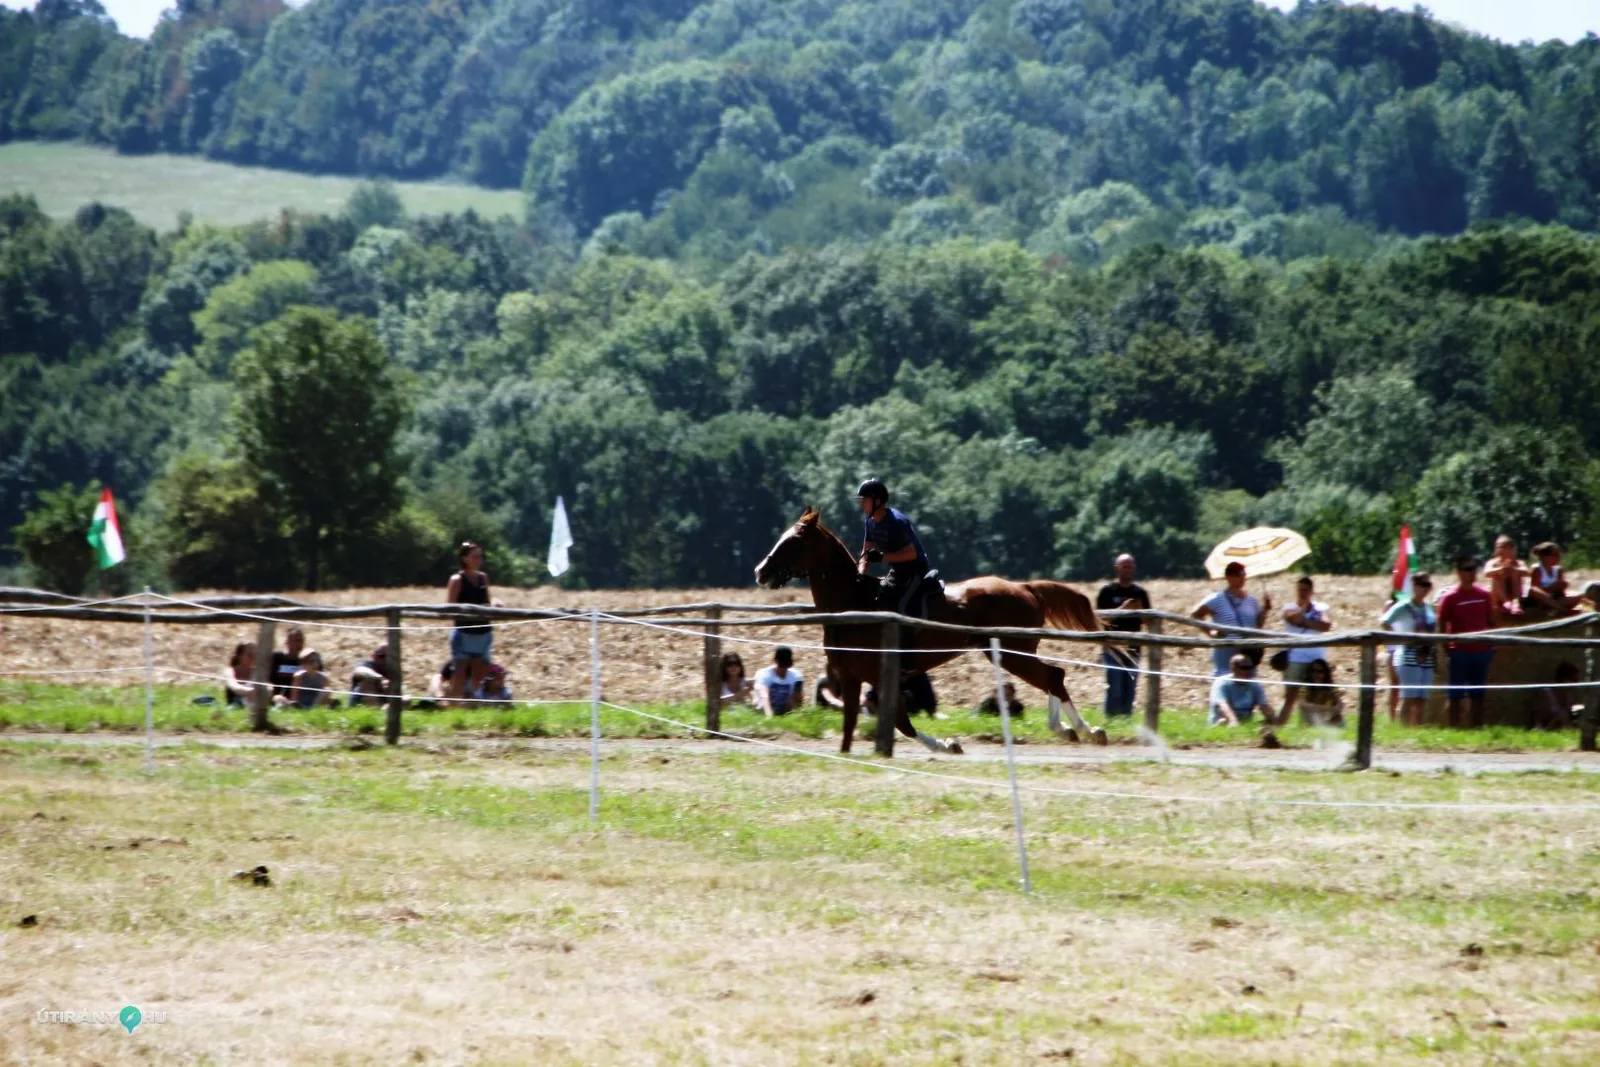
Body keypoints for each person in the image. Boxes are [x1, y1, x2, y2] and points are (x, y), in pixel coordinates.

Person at [1437, 556, 1503, 729]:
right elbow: (1442, 624)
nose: (1471, 573)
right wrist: (1448, 649)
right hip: (1459, 651)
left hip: (1481, 652)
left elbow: (1491, 620)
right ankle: (1454, 728)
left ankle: (1477, 727)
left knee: (1478, 694)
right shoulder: (1450, 598)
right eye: (1467, 569)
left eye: (1473, 569)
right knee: (1455, 695)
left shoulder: (1483, 595)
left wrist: (1492, 645)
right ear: (1458, 572)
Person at [856, 478, 932, 616]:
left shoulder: (896, 522)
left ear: (877, 502)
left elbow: (911, 554)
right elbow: (865, 552)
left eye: (864, 500)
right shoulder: (869, 521)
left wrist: (882, 557)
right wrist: (861, 573)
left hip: (915, 570)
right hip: (897, 571)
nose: (862, 505)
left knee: (901, 604)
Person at [1191, 562, 1271, 676]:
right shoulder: (1217, 598)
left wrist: (1265, 610)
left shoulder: (1252, 601)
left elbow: (1257, 626)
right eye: (1238, 574)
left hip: (1247, 652)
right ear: (1228, 577)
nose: (1243, 577)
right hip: (1226, 652)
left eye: (1244, 574)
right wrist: (1211, 633)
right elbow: (1196, 614)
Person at [1096, 553, 1151, 718]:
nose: (1128, 570)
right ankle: (1111, 718)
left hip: (1134, 646)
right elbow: (1101, 619)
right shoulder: (1107, 591)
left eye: (1130, 566)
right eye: (1124, 566)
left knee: (1130, 685)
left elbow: (1148, 621)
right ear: (1116, 568)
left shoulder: (1140, 593)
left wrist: (1140, 610)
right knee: (1115, 685)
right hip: (1113, 646)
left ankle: (1126, 718)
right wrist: (1122, 609)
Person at [1381, 573, 1438, 727]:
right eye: (1421, 584)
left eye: (1427, 585)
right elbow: (1385, 621)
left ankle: (1416, 729)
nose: (1424, 588)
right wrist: (1400, 639)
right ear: (1414, 586)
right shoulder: (1403, 606)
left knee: (1421, 698)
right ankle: (1401, 730)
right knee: (1409, 697)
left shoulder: (1428, 608)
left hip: (1427, 655)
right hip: (1408, 654)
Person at [1277, 576, 1333, 726]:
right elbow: (1294, 620)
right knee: (1291, 696)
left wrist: (1306, 622)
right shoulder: (1289, 607)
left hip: (1316, 657)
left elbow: (1326, 625)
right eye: (1300, 589)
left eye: (1306, 589)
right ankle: (1279, 727)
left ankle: (1308, 726)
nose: (1303, 592)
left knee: (1315, 695)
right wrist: (1305, 612)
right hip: (1296, 658)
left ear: (1312, 591)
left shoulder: (1320, 608)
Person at [446, 541, 494, 705]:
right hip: (464, 632)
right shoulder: (457, 580)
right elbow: (450, 606)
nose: (478, 560)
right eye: (474, 556)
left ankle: (471, 704)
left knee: (479, 672)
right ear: (464, 558)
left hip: (483, 631)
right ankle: (453, 706)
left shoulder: (483, 578)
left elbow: (487, 601)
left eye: (479, 556)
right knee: (459, 671)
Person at [1208, 654, 1272, 726]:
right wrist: (1233, 721)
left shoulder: (1254, 684)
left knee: (1268, 724)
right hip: (1223, 721)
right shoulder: (1222, 683)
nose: (1249, 671)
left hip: (1245, 723)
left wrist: (1271, 717)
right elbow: (1222, 705)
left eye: (1251, 667)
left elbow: (1263, 705)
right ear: (1233, 668)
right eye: (1244, 668)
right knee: (1223, 721)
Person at [1527, 542, 1582, 614]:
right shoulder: (1537, 569)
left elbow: (1561, 594)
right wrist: (1551, 588)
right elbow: (1536, 590)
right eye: (1555, 555)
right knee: (1533, 590)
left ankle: (1554, 607)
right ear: (1544, 557)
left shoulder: (1559, 570)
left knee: (1579, 596)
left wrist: (1561, 587)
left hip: (1554, 598)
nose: (1559, 557)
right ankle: (1561, 609)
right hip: (1540, 599)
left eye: (1559, 555)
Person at [1484, 534, 1529, 616]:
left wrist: (1513, 569)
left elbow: (1527, 572)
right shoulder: (1492, 563)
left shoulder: (1518, 563)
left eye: (1504, 547)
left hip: (1513, 594)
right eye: (1499, 547)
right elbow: (1486, 573)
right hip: (1497, 597)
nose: (1500, 550)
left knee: (1515, 573)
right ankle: (1506, 603)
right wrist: (1501, 569)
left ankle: (1515, 604)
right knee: (1496, 575)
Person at [754, 647, 804, 717]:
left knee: (792, 700)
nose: (782, 669)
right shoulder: (764, 674)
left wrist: (797, 712)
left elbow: (798, 698)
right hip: (765, 706)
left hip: (785, 708)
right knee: (760, 701)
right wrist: (769, 715)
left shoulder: (796, 676)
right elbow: (764, 696)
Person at [1533, 662, 1584, 731]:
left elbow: (1571, 708)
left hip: (1563, 725)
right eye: (1574, 680)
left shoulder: (1569, 693)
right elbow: (1538, 718)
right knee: (1562, 714)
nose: (1575, 684)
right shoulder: (1547, 693)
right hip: (1547, 727)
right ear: (1563, 679)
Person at [1295, 659, 1345, 727]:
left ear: (1325, 673)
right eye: (1313, 671)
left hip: (1325, 716)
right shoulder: (1305, 686)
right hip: (1311, 717)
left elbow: (1340, 703)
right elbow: (1302, 704)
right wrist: (1326, 708)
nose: (1316, 674)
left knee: (1339, 717)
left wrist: (1336, 709)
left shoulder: (1330, 686)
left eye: (1320, 671)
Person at [867, 673, 939, 718]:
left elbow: (929, 701)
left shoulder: (918, 677)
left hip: (910, 710)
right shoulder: (884, 676)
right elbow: (870, 698)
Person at [269, 627, 306, 697]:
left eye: (301, 641)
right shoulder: (277, 658)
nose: (299, 644)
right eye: (296, 641)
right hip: (278, 696)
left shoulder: (306, 661)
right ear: (287, 642)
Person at [224, 642, 258, 707]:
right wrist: (253, 691)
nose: (253, 658)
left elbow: (268, 687)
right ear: (240, 656)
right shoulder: (230, 671)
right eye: (250, 655)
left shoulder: (257, 672)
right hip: (235, 706)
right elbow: (234, 687)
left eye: (256, 655)